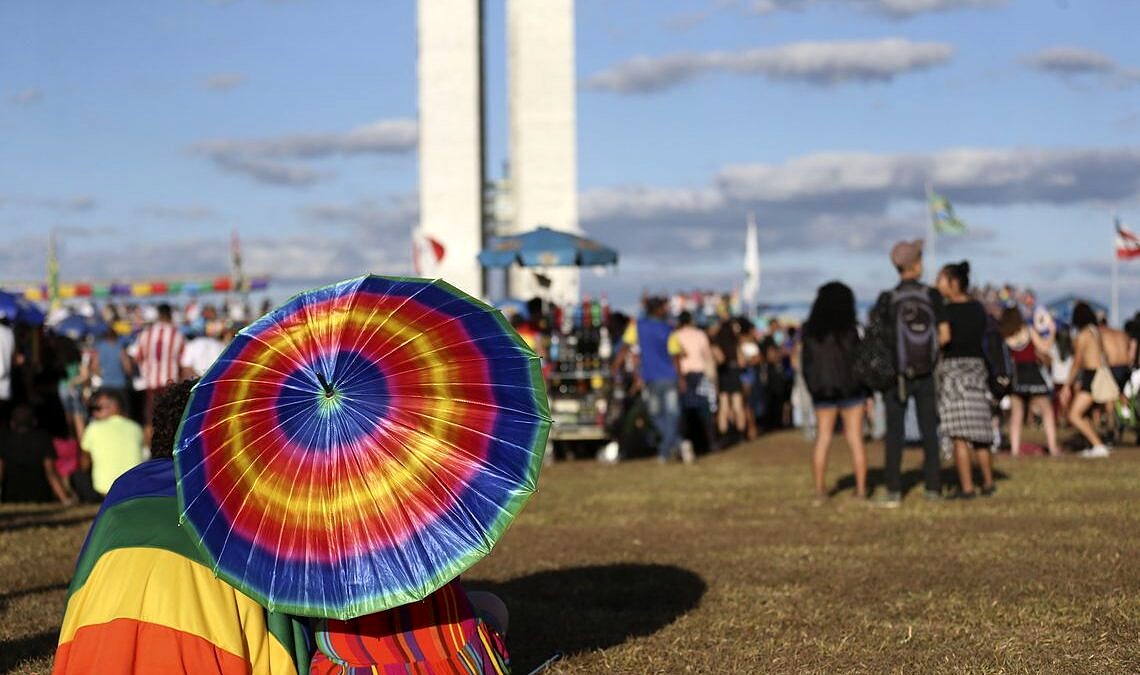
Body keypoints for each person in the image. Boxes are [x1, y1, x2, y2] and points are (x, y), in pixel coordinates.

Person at [53, 381, 312, 674]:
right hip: (207, 654)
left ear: (158, 433)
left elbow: (80, 588)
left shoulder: (125, 487)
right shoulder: (244, 495)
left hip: (103, 649)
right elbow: (279, 612)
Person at [876, 240, 948, 507]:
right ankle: (933, 488)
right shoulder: (932, 296)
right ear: (916, 264)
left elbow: (881, 339)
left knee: (894, 433)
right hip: (926, 372)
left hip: (897, 375)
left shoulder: (888, 299)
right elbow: (945, 335)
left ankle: (893, 490)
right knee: (930, 430)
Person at [309, 580, 510, 674]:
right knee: (490, 603)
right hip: (452, 663)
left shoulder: (324, 558)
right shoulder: (423, 523)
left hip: (357, 664)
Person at [800, 282, 868, 502]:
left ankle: (820, 490)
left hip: (823, 392)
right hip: (851, 390)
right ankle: (861, 489)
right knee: (855, 439)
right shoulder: (850, 331)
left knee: (823, 437)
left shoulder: (811, 333)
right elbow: (859, 362)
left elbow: (806, 364)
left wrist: (814, 388)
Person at [935, 262, 995, 498]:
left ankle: (967, 487)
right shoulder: (978, 309)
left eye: (940, 279)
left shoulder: (946, 310)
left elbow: (944, 338)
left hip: (954, 371)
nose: (937, 284)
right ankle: (988, 483)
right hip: (977, 369)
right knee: (980, 432)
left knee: (959, 434)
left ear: (953, 283)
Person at [613, 296, 684, 463]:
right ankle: (676, 443)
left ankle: (666, 450)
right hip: (666, 377)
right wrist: (681, 378)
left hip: (653, 377)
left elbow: (624, 347)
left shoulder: (637, 326)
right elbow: (676, 357)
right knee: (668, 414)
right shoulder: (667, 328)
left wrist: (616, 365)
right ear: (658, 310)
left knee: (656, 414)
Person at [1061, 301, 1131, 457]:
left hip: (1091, 376)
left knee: (1074, 414)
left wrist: (1067, 384)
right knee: (1082, 413)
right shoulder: (1096, 332)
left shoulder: (1083, 334)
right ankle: (1095, 443)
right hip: (1099, 374)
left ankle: (1098, 445)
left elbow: (1077, 362)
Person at [999, 306, 1060, 457]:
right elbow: (1044, 348)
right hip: (1034, 375)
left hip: (1016, 377)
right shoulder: (1028, 330)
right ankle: (1053, 448)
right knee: (1047, 412)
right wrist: (1051, 331)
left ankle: (1014, 450)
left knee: (1017, 414)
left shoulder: (1005, 336)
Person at [127, 302, 185, 445]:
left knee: (150, 417)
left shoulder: (145, 334)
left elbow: (136, 357)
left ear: (158, 315)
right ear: (170, 315)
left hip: (150, 383)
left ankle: (149, 449)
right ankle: (168, 448)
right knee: (170, 418)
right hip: (170, 383)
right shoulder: (177, 335)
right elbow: (183, 362)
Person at [76, 389, 144, 501]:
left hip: (104, 490)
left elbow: (84, 464)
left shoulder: (93, 429)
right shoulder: (136, 428)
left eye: (98, 408)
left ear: (113, 407)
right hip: (135, 489)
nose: (94, 413)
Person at [0, 405, 73, 504]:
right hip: (41, 497)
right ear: (34, 422)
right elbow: (50, 472)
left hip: (10, 498)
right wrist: (65, 499)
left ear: (12, 423)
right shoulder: (43, 439)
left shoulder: (4, 440)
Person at [672, 310, 715, 458]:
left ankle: (686, 443)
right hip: (699, 375)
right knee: (704, 411)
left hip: (681, 377)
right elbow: (708, 356)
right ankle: (709, 443)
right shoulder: (700, 335)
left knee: (684, 413)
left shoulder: (675, 335)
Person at [711, 318, 748, 443]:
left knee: (724, 406)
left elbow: (719, 359)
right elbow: (742, 362)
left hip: (723, 374)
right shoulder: (735, 342)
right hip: (734, 373)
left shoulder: (717, 341)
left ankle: (724, 434)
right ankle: (741, 434)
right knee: (738, 405)